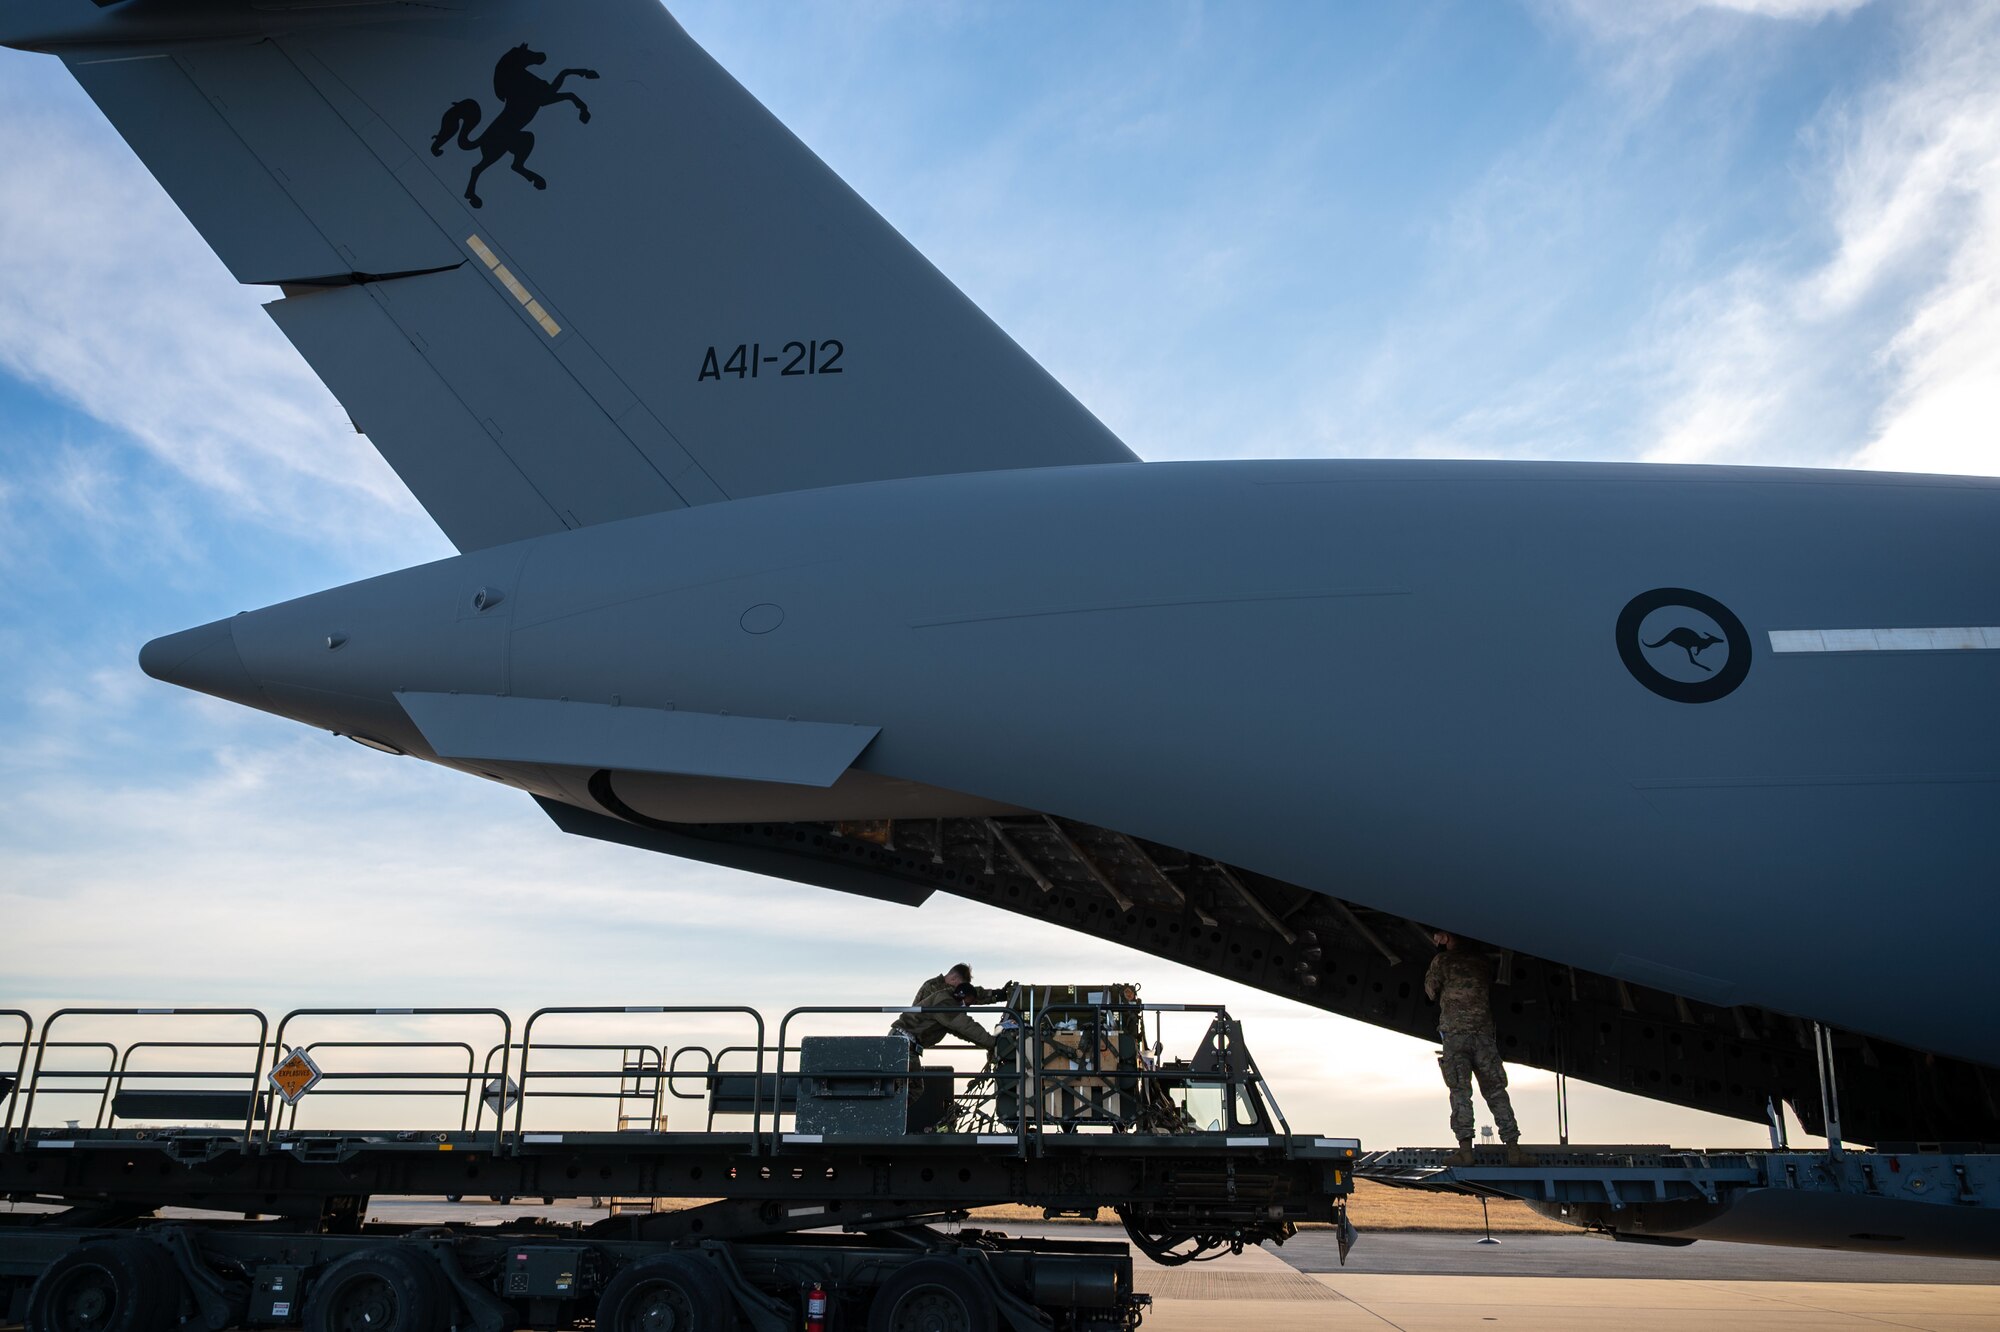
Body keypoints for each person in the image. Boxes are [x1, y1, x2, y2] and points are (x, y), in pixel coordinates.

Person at [1424, 930, 1524, 1164]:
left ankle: (1465, 1151)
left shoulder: (1442, 961)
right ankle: (1514, 1150)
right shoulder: (1482, 962)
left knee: (1460, 1092)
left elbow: (1430, 991)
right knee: (1496, 1092)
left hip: (1456, 1037)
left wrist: (1438, 958)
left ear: (1447, 938)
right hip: (1483, 1036)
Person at [890, 964, 1014, 1051]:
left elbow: (965, 1002)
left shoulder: (949, 997)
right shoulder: (939, 992)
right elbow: (961, 1022)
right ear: (953, 979)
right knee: (909, 1086)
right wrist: (991, 1042)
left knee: (911, 1086)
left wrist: (996, 995)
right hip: (905, 1040)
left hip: (909, 1042)